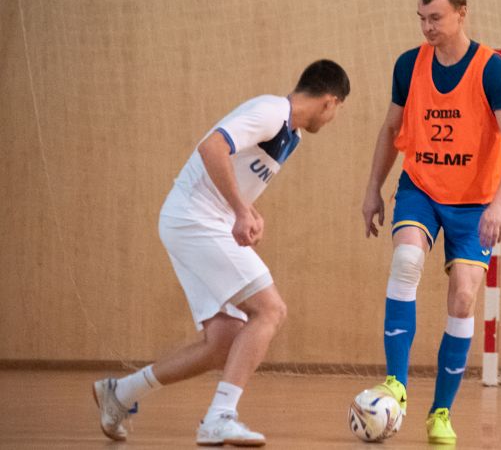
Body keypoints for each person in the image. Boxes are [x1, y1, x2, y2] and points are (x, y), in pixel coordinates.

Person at [92, 60, 350, 445]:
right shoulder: (271, 112)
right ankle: (219, 417)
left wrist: (248, 210)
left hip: (195, 221)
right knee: (270, 310)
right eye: (336, 110)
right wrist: (241, 210)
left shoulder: (290, 134)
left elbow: (233, 171)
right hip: (194, 219)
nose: (332, 119)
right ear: (329, 101)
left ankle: (121, 393)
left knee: (224, 341)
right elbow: (212, 147)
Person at [361, 0, 501, 445]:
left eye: (435, 17)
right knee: (406, 259)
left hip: (475, 203)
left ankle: (440, 411)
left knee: (463, 298)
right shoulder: (408, 65)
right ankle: (396, 383)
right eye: (421, 18)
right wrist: (373, 188)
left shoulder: (491, 69)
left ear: (461, 13)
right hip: (421, 188)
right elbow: (390, 129)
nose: (427, 27)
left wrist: (500, 204)